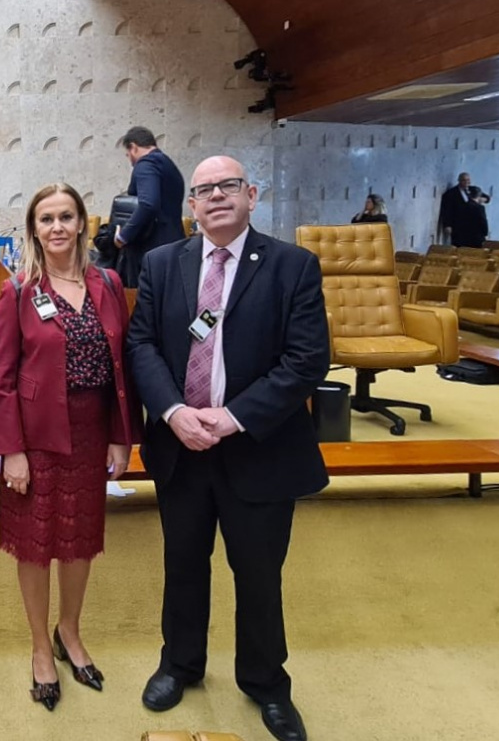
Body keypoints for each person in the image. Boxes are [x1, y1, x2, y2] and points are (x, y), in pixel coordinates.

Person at [125, 156, 329, 741]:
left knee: (259, 575)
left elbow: (306, 360)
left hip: (259, 449)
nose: (216, 196)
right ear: (191, 204)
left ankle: (266, 682)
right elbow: (141, 345)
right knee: (183, 565)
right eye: (204, 190)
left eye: (228, 186)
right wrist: (174, 411)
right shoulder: (162, 263)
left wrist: (234, 417)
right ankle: (180, 664)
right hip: (181, 447)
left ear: (251, 195)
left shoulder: (292, 266)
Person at [0, 183, 143, 711]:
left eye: (66, 217)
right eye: (46, 218)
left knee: (79, 538)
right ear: (34, 229)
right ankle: (40, 646)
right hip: (35, 435)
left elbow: (123, 367)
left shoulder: (108, 283)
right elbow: (1, 379)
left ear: (81, 224)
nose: (57, 227)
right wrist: (10, 450)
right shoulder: (18, 290)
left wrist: (121, 435)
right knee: (36, 542)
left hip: (92, 430)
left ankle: (69, 632)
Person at [114, 126, 186, 288]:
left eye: (128, 154)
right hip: (174, 242)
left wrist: (123, 236)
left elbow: (148, 204)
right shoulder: (168, 165)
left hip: (151, 249)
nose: (130, 160)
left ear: (133, 147)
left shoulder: (145, 164)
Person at [438, 172, 472, 245]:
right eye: (464, 180)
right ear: (459, 181)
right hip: (456, 225)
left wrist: (484, 199)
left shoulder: (471, 190)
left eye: (468, 180)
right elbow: (447, 210)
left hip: (468, 225)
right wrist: (447, 225)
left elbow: (485, 196)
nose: (467, 182)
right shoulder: (451, 193)